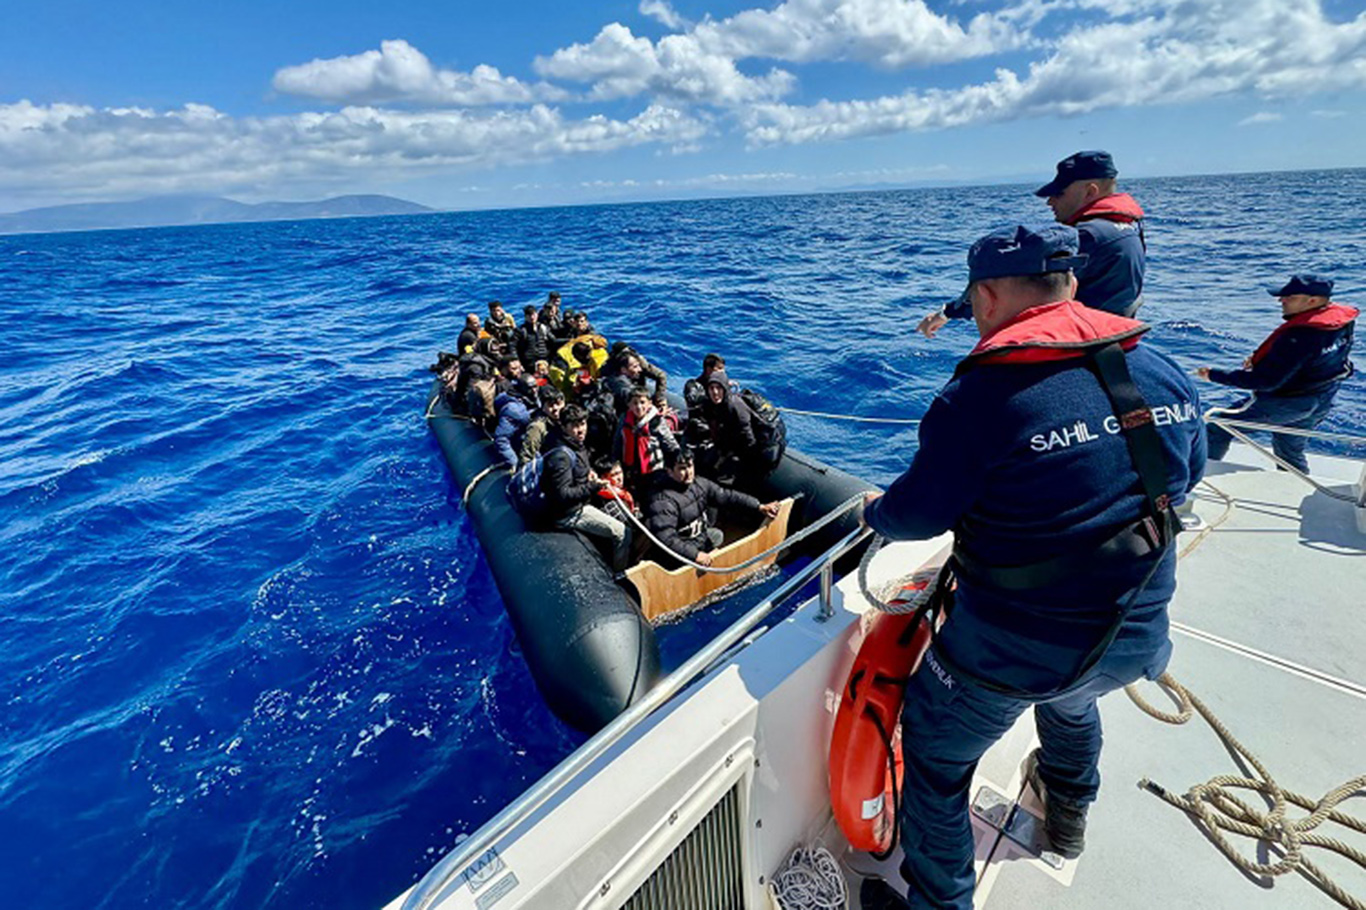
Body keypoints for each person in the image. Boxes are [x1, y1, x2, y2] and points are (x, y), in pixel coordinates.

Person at [858, 223, 1204, 910]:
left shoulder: (978, 400)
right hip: (1133, 637)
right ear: (1070, 284)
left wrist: (873, 514)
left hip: (1011, 653)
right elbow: (1185, 476)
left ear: (985, 295)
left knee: (936, 756)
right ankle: (1068, 822)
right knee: (1073, 704)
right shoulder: (1161, 369)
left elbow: (918, 515)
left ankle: (936, 902)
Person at [918, 150, 1147, 338]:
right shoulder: (1130, 228)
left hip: (1083, 346)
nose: (1050, 201)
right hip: (1114, 340)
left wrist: (948, 312)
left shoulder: (1088, 236)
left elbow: (1018, 290)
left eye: (1059, 193)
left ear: (1090, 191)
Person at [1196, 274, 1356, 473]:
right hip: (1322, 400)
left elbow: (1265, 381)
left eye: (1289, 296)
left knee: (1217, 426)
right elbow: (1324, 358)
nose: (1281, 300)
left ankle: (1199, 478)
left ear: (1312, 301)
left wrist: (1213, 375)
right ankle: (1294, 489)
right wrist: (1264, 359)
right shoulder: (1341, 323)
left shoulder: (1298, 336)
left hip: (1288, 403)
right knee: (1289, 448)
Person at [644, 447, 780, 567]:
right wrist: (695, 555)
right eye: (682, 468)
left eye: (690, 466)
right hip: (679, 553)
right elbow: (666, 538)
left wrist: (759, 506)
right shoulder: (662, 502)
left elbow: (727, 496)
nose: (688, 472)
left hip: (699, 538)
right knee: (713, 540)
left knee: (717, 535)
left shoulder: (700, 484)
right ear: (669, 471)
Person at [542, 405, 632, 571]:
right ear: (564, 427)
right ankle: (620, 574)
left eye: (583, 424)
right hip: (569, 512)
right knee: (622, 533)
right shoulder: (560, 456)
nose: (581, 430)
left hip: (580, 499)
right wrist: (593, 486)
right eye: (575, 426)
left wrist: (587, 474)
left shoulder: (573, 442)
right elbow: (563, 494)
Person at [614, 387, 681, 490]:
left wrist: (677, 462)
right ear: (629, 405)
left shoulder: (656, 422)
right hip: (630, 469)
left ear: (649, 403)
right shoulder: (624, 420)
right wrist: (615, 462)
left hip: (653, 471)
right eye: (635, 403)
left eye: (642, 402)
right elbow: (617, 442)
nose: (639, 407)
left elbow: (670, 444)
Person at [492, 376, 537, 467]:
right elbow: (501, 439)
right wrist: (514, 463)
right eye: (530, 388)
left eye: (535, 387)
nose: (534, 391)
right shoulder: (514, 410)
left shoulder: (532, 399)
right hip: (519, 444)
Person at [518, 385, 566, 466]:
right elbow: (527, 456)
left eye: (558, 404)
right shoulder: (537, 427)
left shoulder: (566, 420)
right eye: (550, 405)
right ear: (543, 407)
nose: (555, 408)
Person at [515, 304, 554, 369]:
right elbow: (513, 346)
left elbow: (553, 340)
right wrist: (517, 362)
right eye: (529, 315)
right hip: (529, 364)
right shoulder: (521, 331)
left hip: (545, 361)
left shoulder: (543, 328)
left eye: (533, 315)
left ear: (537, 315)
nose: (532, 317)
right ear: (525, 317)